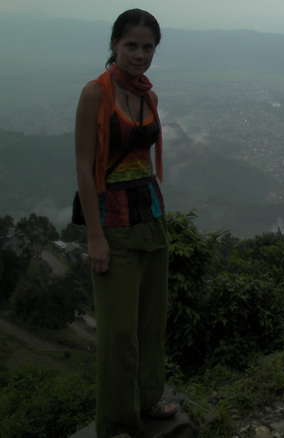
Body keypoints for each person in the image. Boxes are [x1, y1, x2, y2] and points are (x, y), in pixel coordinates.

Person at [74, 9, 178, 438]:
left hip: (151, 219)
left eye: (147, 47)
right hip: (113, 224)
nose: (139, 55)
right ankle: (117, 422)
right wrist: (95, 237)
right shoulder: (95, 95)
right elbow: (83, 166)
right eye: (131, 45)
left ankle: (149, 401)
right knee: (119, 334)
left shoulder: (146, 94)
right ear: (114, 45)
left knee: (151, 322)